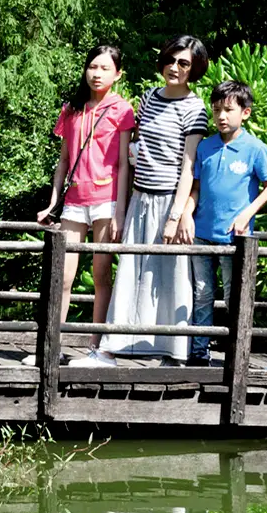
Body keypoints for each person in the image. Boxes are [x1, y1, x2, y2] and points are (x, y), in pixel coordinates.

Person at [84, 35, 209, 366]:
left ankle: (175, 353)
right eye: (171, 59)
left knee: (172, 278)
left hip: (170, 200)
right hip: (141, 197)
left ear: (194, 68)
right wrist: (121, 211)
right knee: (131, 274)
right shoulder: (149, 98)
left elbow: (189, 167)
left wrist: (176, 215)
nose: (175, 67)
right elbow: (136, 153)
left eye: (184, 63)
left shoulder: (195, 108)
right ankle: (112, 349)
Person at [28, 45, 135, 367]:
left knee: (101, 274)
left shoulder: (122, 110)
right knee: (62, 276)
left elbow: (123, 164)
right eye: (92, 66)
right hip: (74, 201)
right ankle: (52, 345)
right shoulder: (72, 109)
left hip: (106, 200)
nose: (97, 73)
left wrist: (119, 211)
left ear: (117, 74)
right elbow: (63, 162)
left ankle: (96, 347)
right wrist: (53, 203)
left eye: (104, 68)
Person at [181, 80, 267, 366]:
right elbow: (196, 187)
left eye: (228, 110)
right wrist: (187, 213)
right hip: (202, 234)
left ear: (245, 113)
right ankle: (199, 352)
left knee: (234, 296)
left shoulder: (254, 148)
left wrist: (247, 214)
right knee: (201, 293)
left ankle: (237, 354)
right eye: (216, 110)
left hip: (234, 239)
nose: (221, 116)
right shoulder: (205, 146)